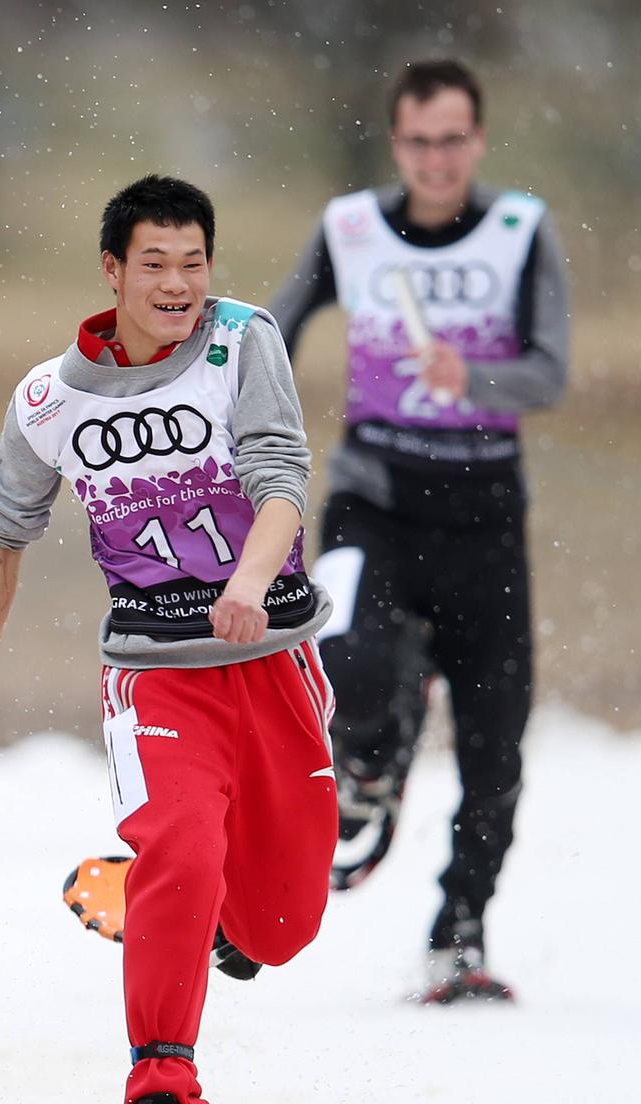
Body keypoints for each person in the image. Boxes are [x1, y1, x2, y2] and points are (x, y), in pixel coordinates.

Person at [0, 175, 337, 1104]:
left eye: (194, 263)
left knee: (286, 924)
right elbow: (0, 539)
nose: (177, 285)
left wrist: (249, 584)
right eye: (154, 264)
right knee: (187, 847)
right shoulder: (48, 399)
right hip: (156, 668)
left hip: (272, 655)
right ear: (112, 270)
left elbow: (280, 478)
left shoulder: (244, 340)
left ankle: (187, 910)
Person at [269, 60, 569, 1002]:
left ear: (476, 141)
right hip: (374, 496)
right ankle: (371, 765)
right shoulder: (351, 228)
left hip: (484, 515)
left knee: (496, 742)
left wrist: (472, 380)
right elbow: (271, 330)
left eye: (452, 140)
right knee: (345, 657)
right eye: (418, 141)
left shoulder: (521, 232)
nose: (436, 160)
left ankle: (458, 932)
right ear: (397, 143)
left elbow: (550, 373)